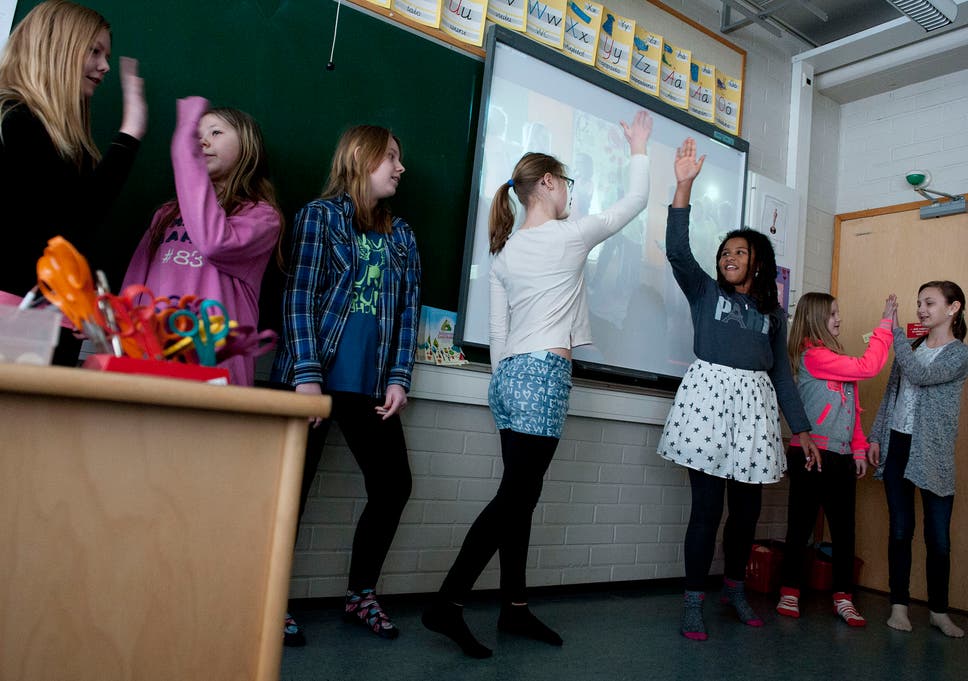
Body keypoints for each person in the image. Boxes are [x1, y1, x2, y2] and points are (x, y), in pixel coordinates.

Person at [422, 110, 654, 659]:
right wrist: (639, 147)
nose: (570, 194)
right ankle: (448, 603)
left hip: (508, 380)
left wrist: (504, 385)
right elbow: (635, 203)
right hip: (543, 377)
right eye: (566, 183)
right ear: (547, 184)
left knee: (520, 499)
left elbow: (499, 333)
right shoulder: (568, 237)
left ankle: (515, 608)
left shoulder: (503, 252)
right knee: (516, 498)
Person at [657, 137, 820, 641]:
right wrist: (684, 184)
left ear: (758, 262)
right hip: (707, 403)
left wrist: (805, 431)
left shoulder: (772, 315)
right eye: (725, 251)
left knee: (746, 512)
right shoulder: (705, 292)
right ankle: (692, 602)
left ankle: (733, 587)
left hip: (754, 411)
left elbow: (783, 377)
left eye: (739, 252)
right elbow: (677, 251)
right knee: (706, 511)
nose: (729, 257)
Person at [271, 125, 420, 644]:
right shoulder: (319, 218)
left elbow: (407, 315)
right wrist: (307, 376)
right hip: (310, 379)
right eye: (391, 158)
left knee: (394, 485)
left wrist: (399, 378)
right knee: (289, 493)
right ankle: (269, 600)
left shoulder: (402, 236)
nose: (400, 168)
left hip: (371, 385)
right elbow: (298, 298)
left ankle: (361, 594)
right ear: (361, 158)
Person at [0, 0, 147, 365]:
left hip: (37, 322)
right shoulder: (15, 122)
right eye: (94, 51)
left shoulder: (58, 139)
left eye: (106, 54)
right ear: (57, 48)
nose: (105, 66)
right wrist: (129, 134)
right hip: (14, 324)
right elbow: (70, 225)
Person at [122, 96, 282, 387]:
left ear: (248, 146)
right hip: (153, 359)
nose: (202, 142)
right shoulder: (166, 214)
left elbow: (214, 242)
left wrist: (185, 150)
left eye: (216, 132)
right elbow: (135, 286)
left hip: (214, 365)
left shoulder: (262, 216)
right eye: (196, 137)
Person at [775, 292, 896, 626]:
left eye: (838, 313)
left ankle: (843, 597)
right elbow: (869, 366)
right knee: (799, 528)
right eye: (832, 314)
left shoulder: (836, 359)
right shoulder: (814, 357)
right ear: (815, 320)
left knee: (844, 531)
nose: (839, 319)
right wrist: (886, 324)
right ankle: (790, 590)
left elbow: (852, 412)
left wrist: (858, 450)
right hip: (811, 456)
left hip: (841, 457)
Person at [868, 280, 968, 638]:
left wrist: (892, 332)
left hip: (932, 452)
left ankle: (939, 612)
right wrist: (876, 436)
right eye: (918, 303)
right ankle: (899, 605)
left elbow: (921, 375)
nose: (921, 310)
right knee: (900, 528)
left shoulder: (960, 354)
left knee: (938, 537)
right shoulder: (911, 345)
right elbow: (891, 395)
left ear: (953, 308)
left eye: (929, 303)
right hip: (897, 445)